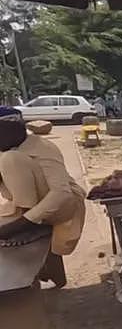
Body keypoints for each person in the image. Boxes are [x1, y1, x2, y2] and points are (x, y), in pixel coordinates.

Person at [0, 106, 86, 287]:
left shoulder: (42, 148)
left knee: (10, 159)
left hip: (64, 204)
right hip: (34, 205)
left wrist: (25, 222)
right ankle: (51, 274)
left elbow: (61, 193)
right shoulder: (7, 146)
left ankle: (31, 226)